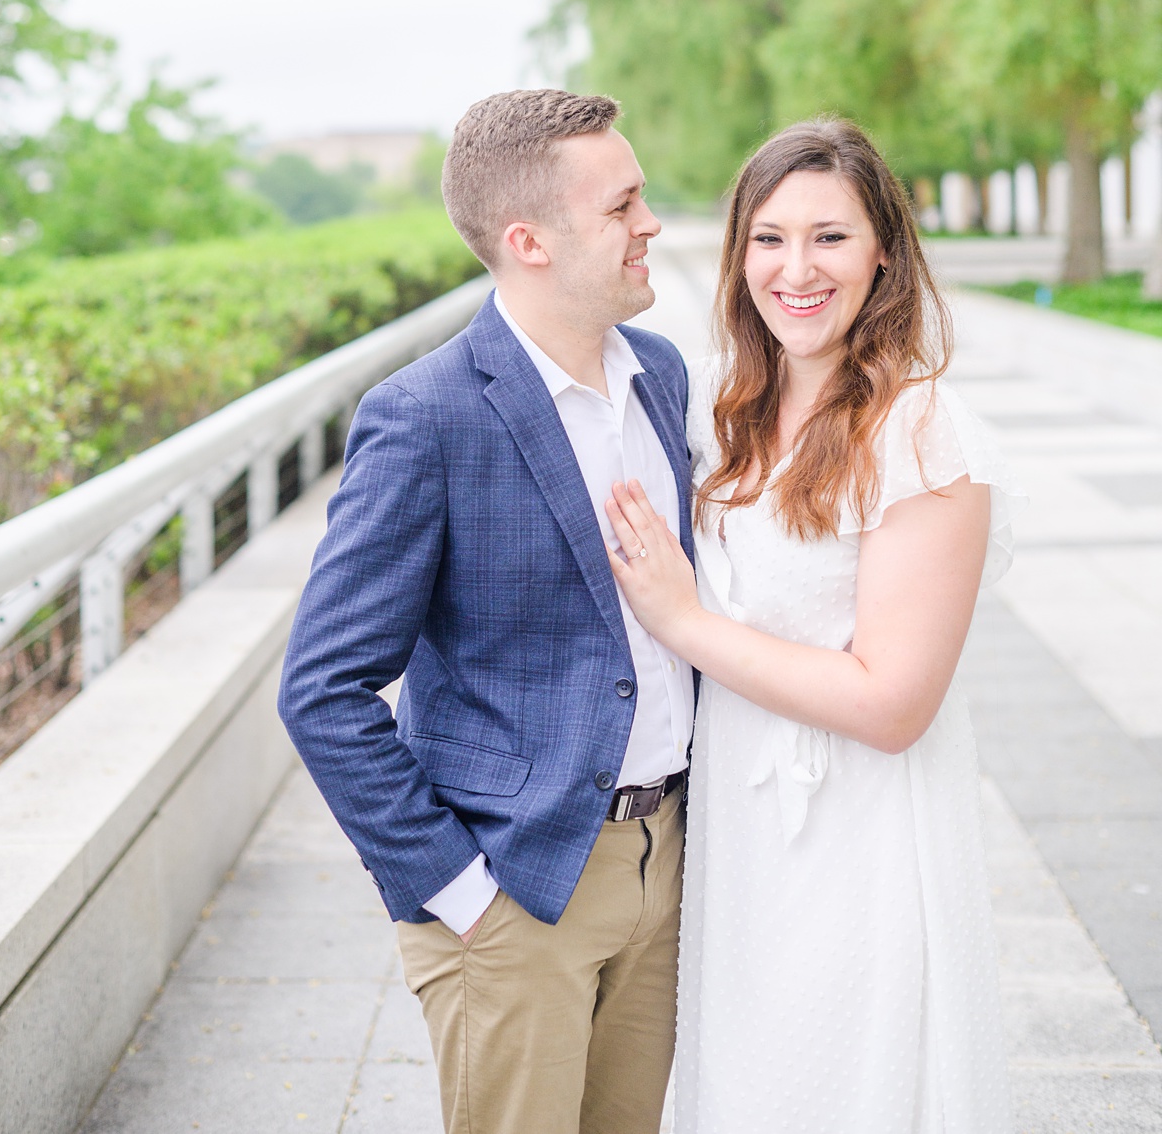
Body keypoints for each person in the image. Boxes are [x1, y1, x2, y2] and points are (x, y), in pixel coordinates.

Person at [279, 87, 693, 1134]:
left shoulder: (667, 378)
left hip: (669, 861)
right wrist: (461, 894)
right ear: (529, 240)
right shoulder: (426, 415)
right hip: (514, 890)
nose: (652, 225)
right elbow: (322, 690)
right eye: (623, 205)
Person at [601, 119, 1011, 1130]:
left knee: (841, 1085)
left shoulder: (921, 431)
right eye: (769, 237)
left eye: (830, 236)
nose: (797, 268)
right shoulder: (719, 404)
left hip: (859, 833)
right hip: (736, 837)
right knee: (746, 1082)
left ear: (884, 252)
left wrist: (684, 622)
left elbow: (892, 700)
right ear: (739, 254)